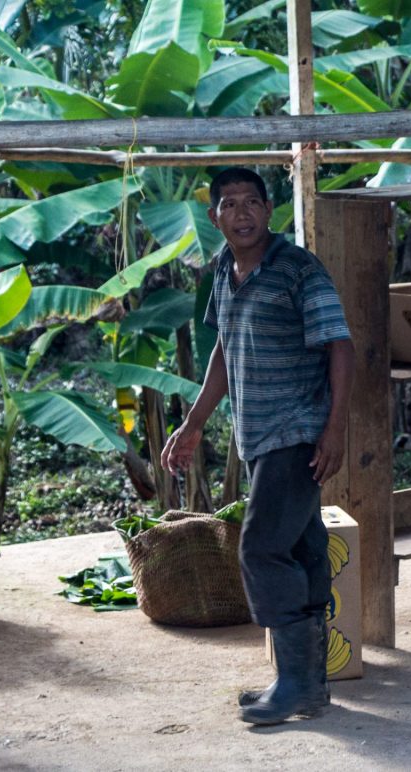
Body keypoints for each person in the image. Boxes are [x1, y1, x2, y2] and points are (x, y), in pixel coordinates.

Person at [160, 167, 355, 726]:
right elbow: (224, 347)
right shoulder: (224, 270)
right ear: (214, 216)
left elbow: (340, 348)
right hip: (256, 433)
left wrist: (335, 427)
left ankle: (295, 683)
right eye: (229, 204)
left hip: (297, 433)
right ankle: (308, 685)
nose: (241, 213)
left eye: (251, 202)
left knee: (261, 548)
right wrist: (195, 422)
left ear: (269, 210)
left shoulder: (299, 271)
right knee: (301, 547)